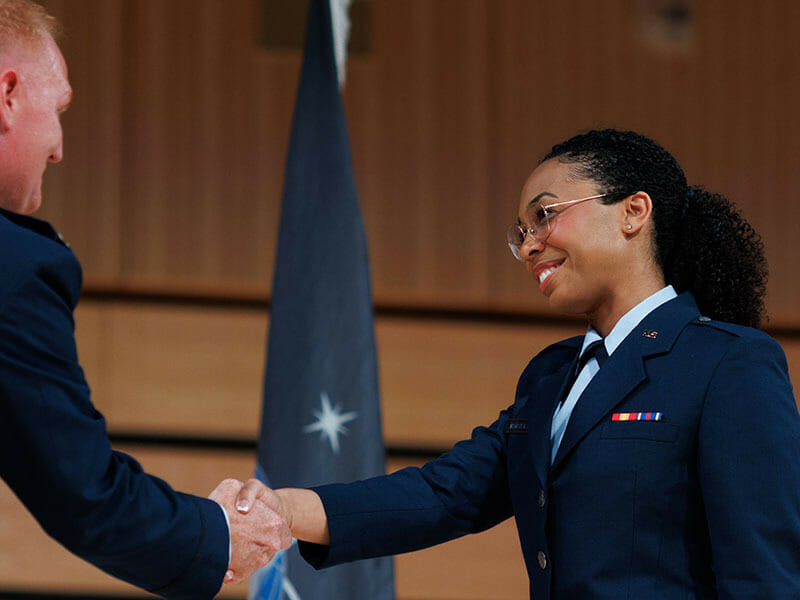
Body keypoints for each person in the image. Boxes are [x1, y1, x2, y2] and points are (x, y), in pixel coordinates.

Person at [258, 129, 800, 598]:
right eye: (521, 233)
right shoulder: (548, 376)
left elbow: (763, 574)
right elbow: (444, 495)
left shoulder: (729, 363)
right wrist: (282, 509)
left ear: (633, 211)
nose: (530, 245)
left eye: (544, 216)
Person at [0, 1, 290, 597]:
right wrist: (216, 533)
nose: (58, 149)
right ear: (7, 95)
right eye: (57, 112)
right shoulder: (15, 267)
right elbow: (83, 493)